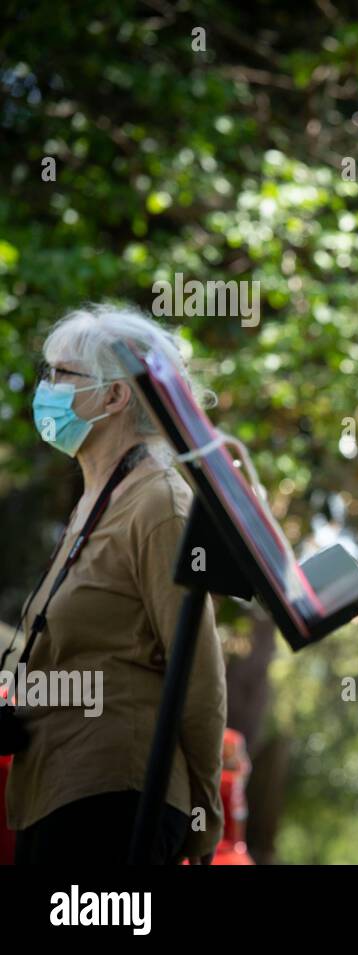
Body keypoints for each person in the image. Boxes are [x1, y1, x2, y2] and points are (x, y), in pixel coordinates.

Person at [3, 304, 226, 864]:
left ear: (114, 397)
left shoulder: (161, 503)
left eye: (61, 374)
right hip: (51, 791)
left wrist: (206, 813)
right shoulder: (92, 504)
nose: (45, 389)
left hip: (114, 800)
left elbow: (197, 672)